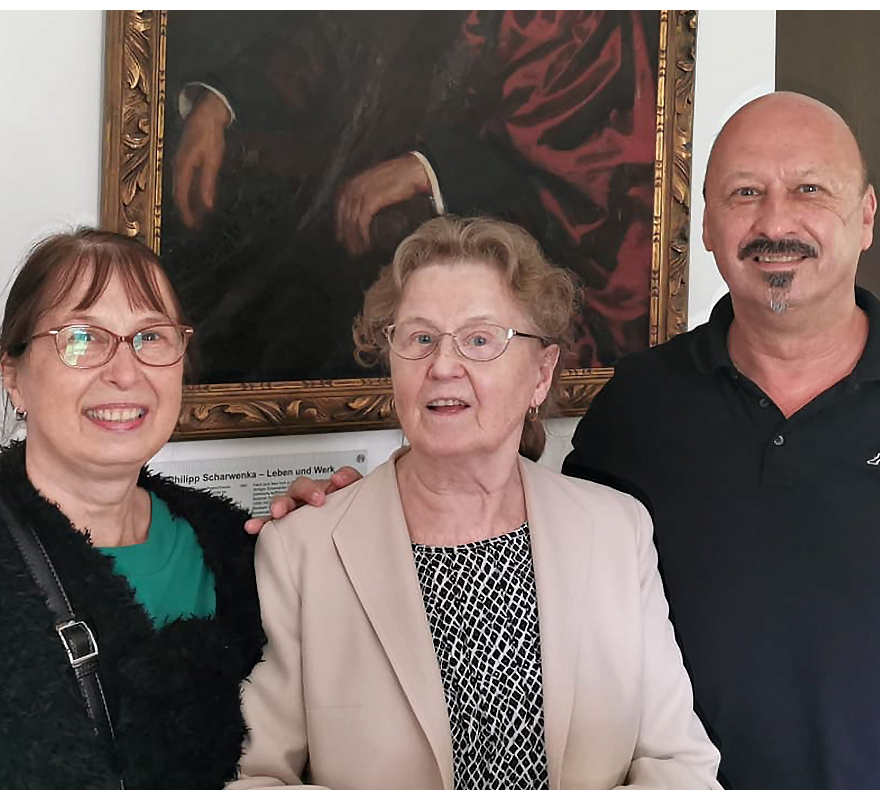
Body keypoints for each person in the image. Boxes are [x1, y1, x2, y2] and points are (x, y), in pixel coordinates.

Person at [261, 93, 880, 789]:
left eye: (809, 190)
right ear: (707, 226)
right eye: (745, 194)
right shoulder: (641, 404)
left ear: (865, 216)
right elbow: (514, 505)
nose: (775, 221)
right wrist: (348, 516)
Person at [230, 216, 719, 789]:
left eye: (480, 339)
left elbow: (680, 766)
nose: (442, 366)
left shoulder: (617, 529)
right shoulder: (301, 549)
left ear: (541, 373)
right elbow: (254, 779)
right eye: (420, 339)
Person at [166, 10, 658, 380]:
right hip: (345, 245)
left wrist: (430, 168)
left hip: (500, 259)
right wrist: (220, 102)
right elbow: (329, 41)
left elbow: (577, 145)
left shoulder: (573, 18)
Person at [0, 229, 264, 789]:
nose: (125, 372)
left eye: (151, 337)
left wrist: (330, 527)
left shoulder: (244, 550)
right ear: (14, 377)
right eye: (83, 338)